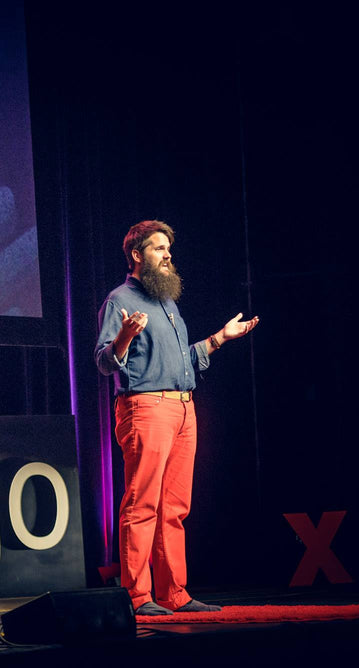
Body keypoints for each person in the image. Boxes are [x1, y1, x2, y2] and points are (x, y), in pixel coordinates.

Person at [94, 220, 258, 616]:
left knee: (174, 507)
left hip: (184, 408)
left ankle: (175, 593)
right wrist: (124, 337)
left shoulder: (168, 302)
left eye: (168, 248)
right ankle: (137, 597)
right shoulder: (120, 300)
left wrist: (220, 338)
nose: (168, 255)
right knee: (142, 503)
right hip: (146, 407)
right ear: (137, 256)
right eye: (158, 248)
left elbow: (183, 359)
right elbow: (103, 362)